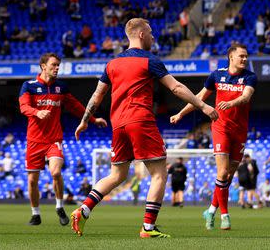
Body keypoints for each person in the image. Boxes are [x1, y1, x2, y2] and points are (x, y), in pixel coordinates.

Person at [71, 18, 217, 239]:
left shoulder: (111, 64)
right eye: (150, 32)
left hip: (118, 124)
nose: (153, 36)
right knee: (159, 173)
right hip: (140, 120)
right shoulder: (149, 60)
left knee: (117, 174)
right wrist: (203, 105)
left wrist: (84, 120)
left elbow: (97, 95)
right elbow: (176, 87)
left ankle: (84, 209)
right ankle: (148, 227)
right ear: (140, 34)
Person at [171, 43, 256, 231]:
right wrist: (180, 114)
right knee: (223, 173)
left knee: (228, 176)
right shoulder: (216, 75)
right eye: (241, 56)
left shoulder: (250, 77)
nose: (244, 59)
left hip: (240, 131)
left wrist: (231, 102)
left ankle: (210, 210)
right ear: (231, 57)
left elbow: (246, 97)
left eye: (246, 56)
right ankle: (225, 216)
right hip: (220, 128)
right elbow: (198, 98)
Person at [19, 53, 107, 226]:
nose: (57, 68)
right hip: (34, 140)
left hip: (54, 139)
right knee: (32, 180)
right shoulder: (28, 86)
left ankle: (59, 206)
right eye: (54, 65)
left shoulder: (61, 87)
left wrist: (93, 119)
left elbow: (75, 106)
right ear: (43, 66)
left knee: (56, 172)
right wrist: (37, 112)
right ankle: (35, 213)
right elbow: (23, 107)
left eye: (58, 65)